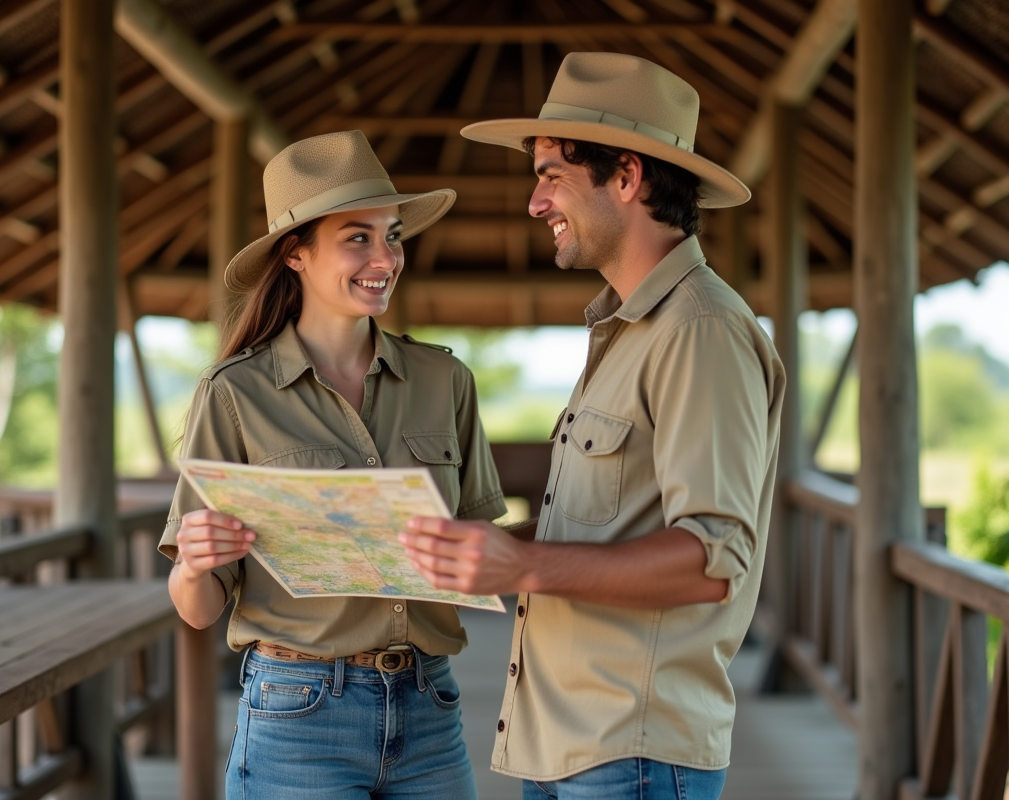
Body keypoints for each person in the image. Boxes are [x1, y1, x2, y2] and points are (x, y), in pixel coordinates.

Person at [400, 52, 786, 800]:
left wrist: (522, 568)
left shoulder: (701, 329)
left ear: (628, 178)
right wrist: (479, 552)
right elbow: (602, 534)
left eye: (552, 176)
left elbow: (712, 561)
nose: (535, 204)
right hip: (567, 744)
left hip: (632, 755)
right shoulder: (628, 330)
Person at [159, 130, 507, 800]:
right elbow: (198, 609)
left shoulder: (446, 379)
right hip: (299, 711)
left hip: (431, 706)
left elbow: (484, 546)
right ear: (295, 254)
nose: (386, 257)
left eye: (394, 235)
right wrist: (196, 563)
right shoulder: (234, 392)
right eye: (358, 237)